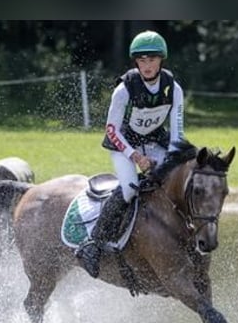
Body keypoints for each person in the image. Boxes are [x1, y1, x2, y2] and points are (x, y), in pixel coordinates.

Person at [77, 29, 187, 278]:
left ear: (161, 60)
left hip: (155, 141)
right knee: (129, 187)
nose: (147, 66)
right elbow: (112, 130)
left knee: (174, 181)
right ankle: (94, 243)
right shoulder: (124, 89)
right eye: (142, 60)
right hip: (123, 144)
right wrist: (136, 157)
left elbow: (177, 133)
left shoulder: (173, 88)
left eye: (152, 59)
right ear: (136, 62)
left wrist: (172, 160)